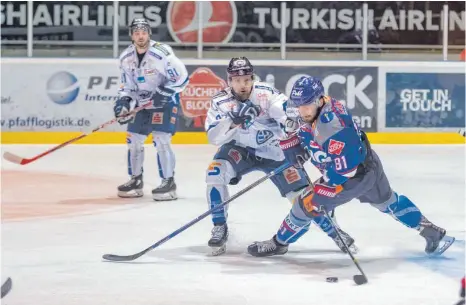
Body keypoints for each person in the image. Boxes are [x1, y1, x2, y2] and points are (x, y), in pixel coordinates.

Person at [248, 76, 455, 257]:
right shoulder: (320, 107)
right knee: (388, 201)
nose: (302, 111)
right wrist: (294, 142)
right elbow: (304, 129)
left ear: (319, 100)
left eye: (307, 105)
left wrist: (322, 190)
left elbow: (344, 172)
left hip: (352, 175)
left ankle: (279, 243)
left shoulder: (333, 127)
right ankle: (431, 231)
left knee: (306, 204)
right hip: (369, 163)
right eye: (299, 105)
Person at [204, 57, 358, 256]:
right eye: (237, 80)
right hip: (241, 150)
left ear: (252, 78)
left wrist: (289, 130)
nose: (243, 84)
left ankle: (335, 232)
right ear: (229, 80)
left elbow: (290, 117)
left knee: (304, 197)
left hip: (276, 152)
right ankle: (219, 227)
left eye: (247, 79)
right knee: (215, 173)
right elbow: (213, 138)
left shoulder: (266, 94)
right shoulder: (220, 102)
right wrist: (233, 123)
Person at [113, 18, 189, 201]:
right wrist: (123, 102)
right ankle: (136, 180)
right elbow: (127, 86)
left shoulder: (161, 54)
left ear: (149, 34)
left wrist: (164, 92)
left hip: (164, 103)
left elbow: (182, 78)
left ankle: (168, 182)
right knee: (133, 140)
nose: (140, 36)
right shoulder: (125, 58)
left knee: (161, 139)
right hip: (142, 104)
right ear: (131, 35)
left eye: (144, 32)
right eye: (137, 33)